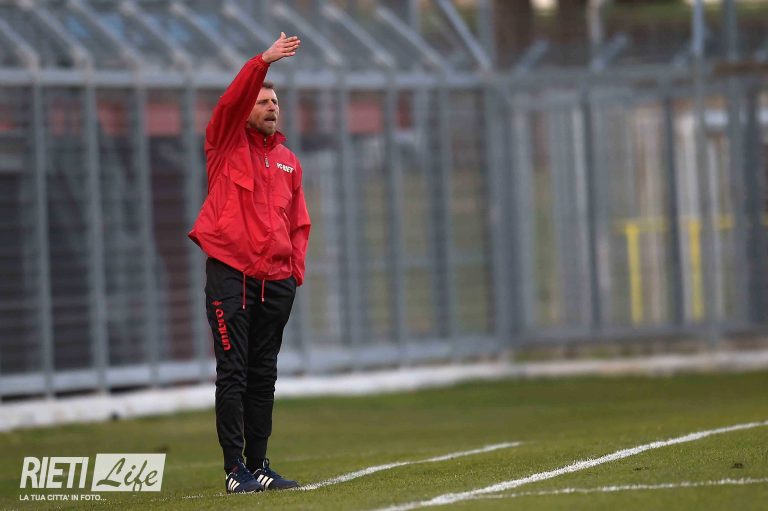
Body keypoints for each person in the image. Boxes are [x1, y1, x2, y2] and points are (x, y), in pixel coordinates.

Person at [188, 32, 310, 493]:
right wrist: (263, 62)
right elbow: (229, 103)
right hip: (231, 276)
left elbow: (299, 223)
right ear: (246, 110)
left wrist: (294, 274)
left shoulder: (289, 162)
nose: (271, 106)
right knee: (233, 372)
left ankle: (259, 464)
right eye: (262, 101)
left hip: (276, 282)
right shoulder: (224, 144)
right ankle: (234, 470)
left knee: (263, 375)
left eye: (275, 101)